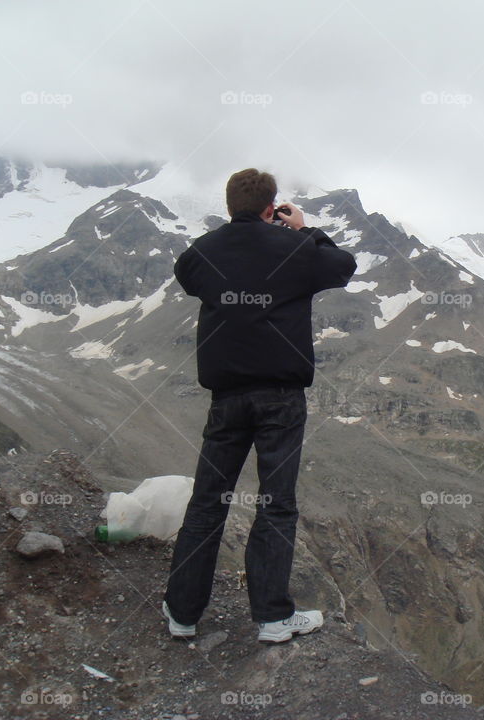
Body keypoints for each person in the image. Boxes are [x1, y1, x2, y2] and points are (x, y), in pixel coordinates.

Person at [162, 168, 356, 642]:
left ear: (230, 205)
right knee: (276, 502)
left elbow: (184, 273)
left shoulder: (202, 252)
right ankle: (272, 617)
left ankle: (183, 614)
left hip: (226, 399)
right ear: (272, 207)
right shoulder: (296, 248)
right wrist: (304, 228)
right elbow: (343, 266)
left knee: (208, 501)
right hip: (280, 400)